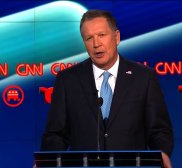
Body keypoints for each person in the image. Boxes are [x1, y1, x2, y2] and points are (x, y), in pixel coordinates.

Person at [41, 9, 174, 167]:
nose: (96, 44)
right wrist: (47, 162)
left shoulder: (144, 78)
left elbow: (159, 130)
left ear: (116, 37)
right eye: (89, 38)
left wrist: (162, 153)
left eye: (102, 35)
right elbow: (55, 135)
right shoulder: (68, 80)